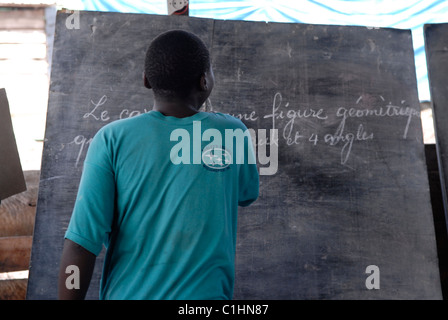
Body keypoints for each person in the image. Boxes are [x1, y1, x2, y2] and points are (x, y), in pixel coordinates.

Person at [58, 29, 259, 300]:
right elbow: (247, 193)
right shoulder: (233, 133)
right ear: (204, 81)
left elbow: (81, 243)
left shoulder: (111, 139)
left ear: (145, 80)